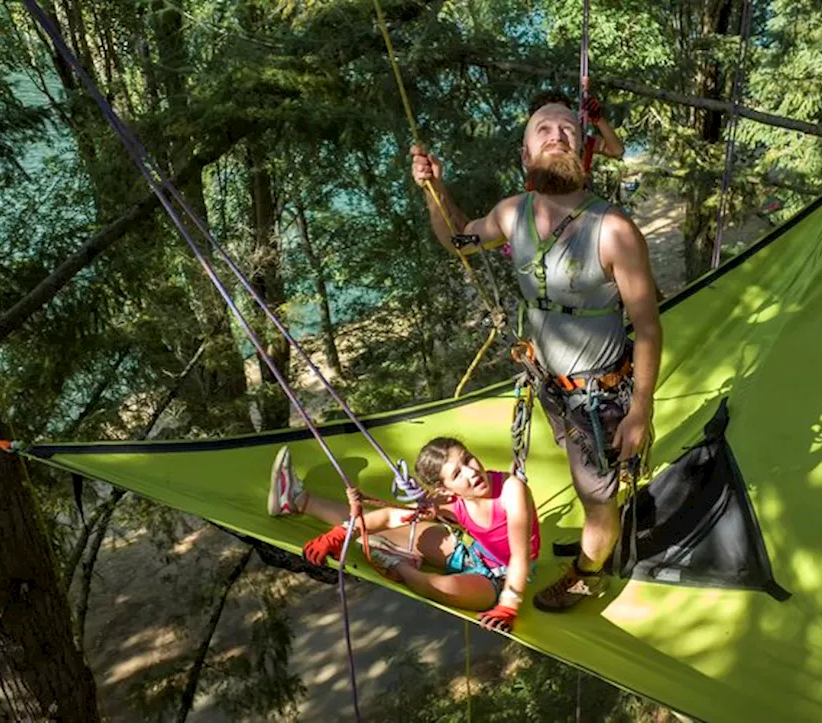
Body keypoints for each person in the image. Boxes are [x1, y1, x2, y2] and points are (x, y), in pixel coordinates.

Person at [409, 92, 662, 613]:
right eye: (542, 130)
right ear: (525, 156)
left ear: (581, 151)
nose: (555, 134)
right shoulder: (512, 215)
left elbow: (648, 327)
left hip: (601, 396)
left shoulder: (613, 231)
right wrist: (434, 187)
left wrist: (640, 410)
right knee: (579, 468)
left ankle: (588, 571)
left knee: (596, 495)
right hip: (550, 385)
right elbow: (458, 237)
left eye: (567, 129)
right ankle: (599, 526)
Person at [266, 440, 540, 633]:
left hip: (502, 580)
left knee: (434, 586)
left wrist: (508, 605)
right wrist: (339, 533)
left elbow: (519, 557)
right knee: (387, 526)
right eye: (457, 473)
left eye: (468, 458)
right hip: (471, 554)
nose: (471, 472)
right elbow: (387, 518)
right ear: (445, 489)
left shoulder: (510, 489)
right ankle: (299, 502)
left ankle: (399, 565)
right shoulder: (447, 501)